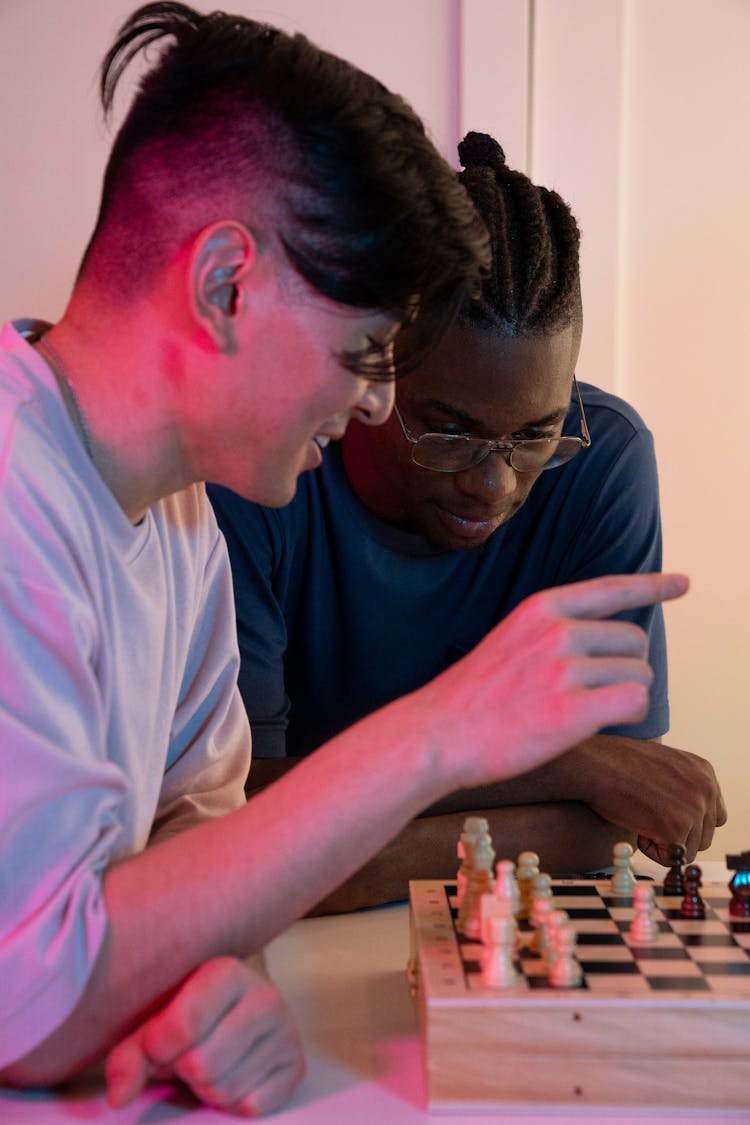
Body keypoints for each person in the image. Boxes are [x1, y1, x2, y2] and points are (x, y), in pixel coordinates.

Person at [0, 4, 690, 1117]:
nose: (375, 399)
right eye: (365, 352)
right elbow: (30, 1006)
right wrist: (441, 733)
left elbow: (207, 830)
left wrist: (220, 982)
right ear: (226, 284)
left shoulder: (179, 515)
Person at [209, 131, 726, 915]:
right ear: (374, 370)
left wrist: (362, 858)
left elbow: (622, 827)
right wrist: (569, 766)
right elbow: (240, 821)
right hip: (290, 960)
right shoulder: (265, 470)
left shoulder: (603, 459)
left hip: (507, 943)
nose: (493, 482)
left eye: (534, 435)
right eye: (447, 430)